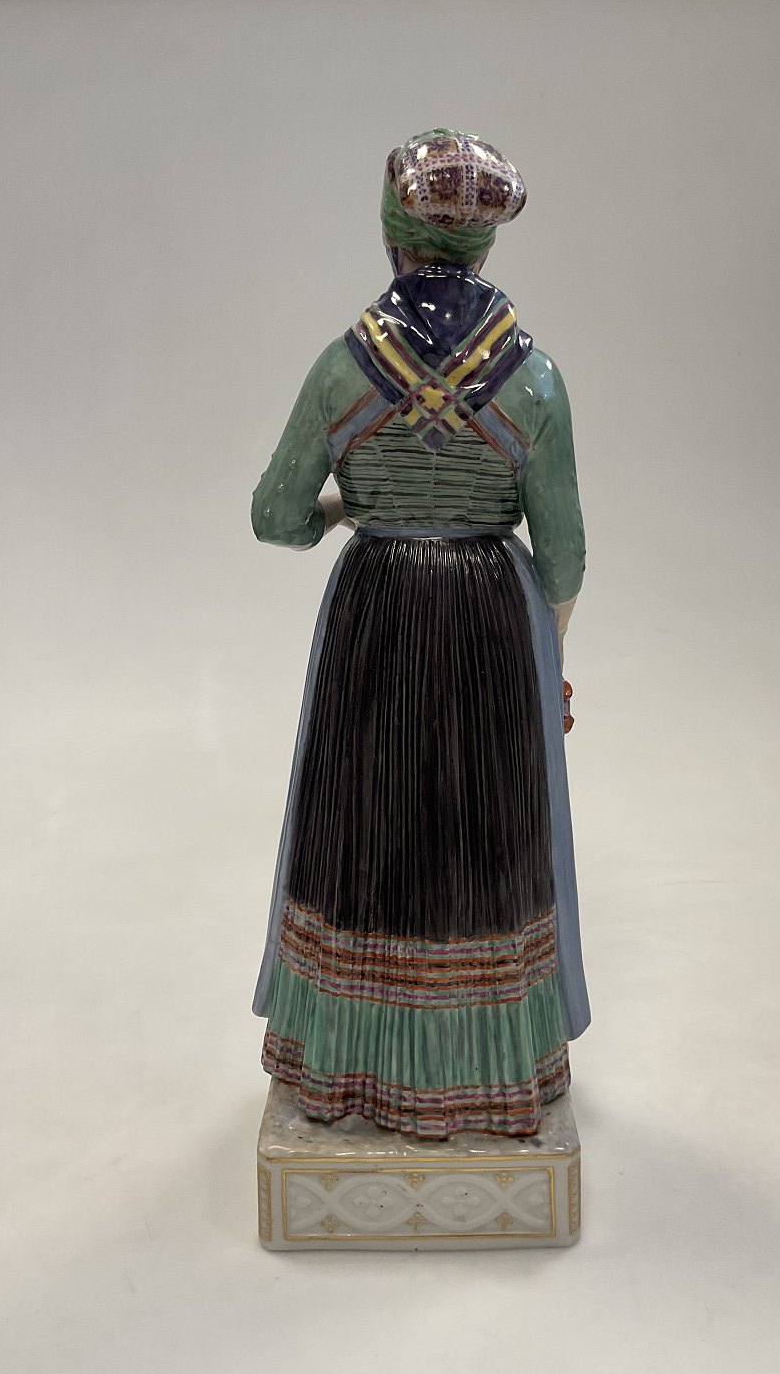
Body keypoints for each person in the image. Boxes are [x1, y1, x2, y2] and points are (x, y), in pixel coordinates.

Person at [250, 129, 589, 1139]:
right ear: (487, 245)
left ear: (392, 234)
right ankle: (487, 1075)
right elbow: (564, 554)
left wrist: (343, 512)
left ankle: (352, 1071)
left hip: (380, 606)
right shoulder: (535, 378)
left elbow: (273, 517)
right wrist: (551, 661)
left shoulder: (341, 369)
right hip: (491, 615)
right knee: (487, 845)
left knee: (364, 836)